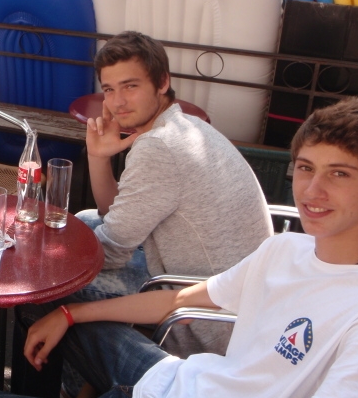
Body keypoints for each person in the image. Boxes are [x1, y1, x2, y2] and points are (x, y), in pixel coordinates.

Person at [0, 95, 358, 398]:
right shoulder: (287, 249)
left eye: (339, 174)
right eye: (306, 168)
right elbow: (176, 299)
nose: (312, 191)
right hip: (179, 383)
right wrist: (69, 315)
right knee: (43, 304)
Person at [62, 30, 271, 358]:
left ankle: (76, 386)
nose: (117, 103)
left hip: (206, 322)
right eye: (109, 89)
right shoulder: (185, 125)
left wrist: (48, 258)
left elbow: (112, 253)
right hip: (240, 305)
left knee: (60, 286)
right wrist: (99, 157)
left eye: (131, 86)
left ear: (162, 83)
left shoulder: (159, 147)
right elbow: (113, 215)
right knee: (86, 221)